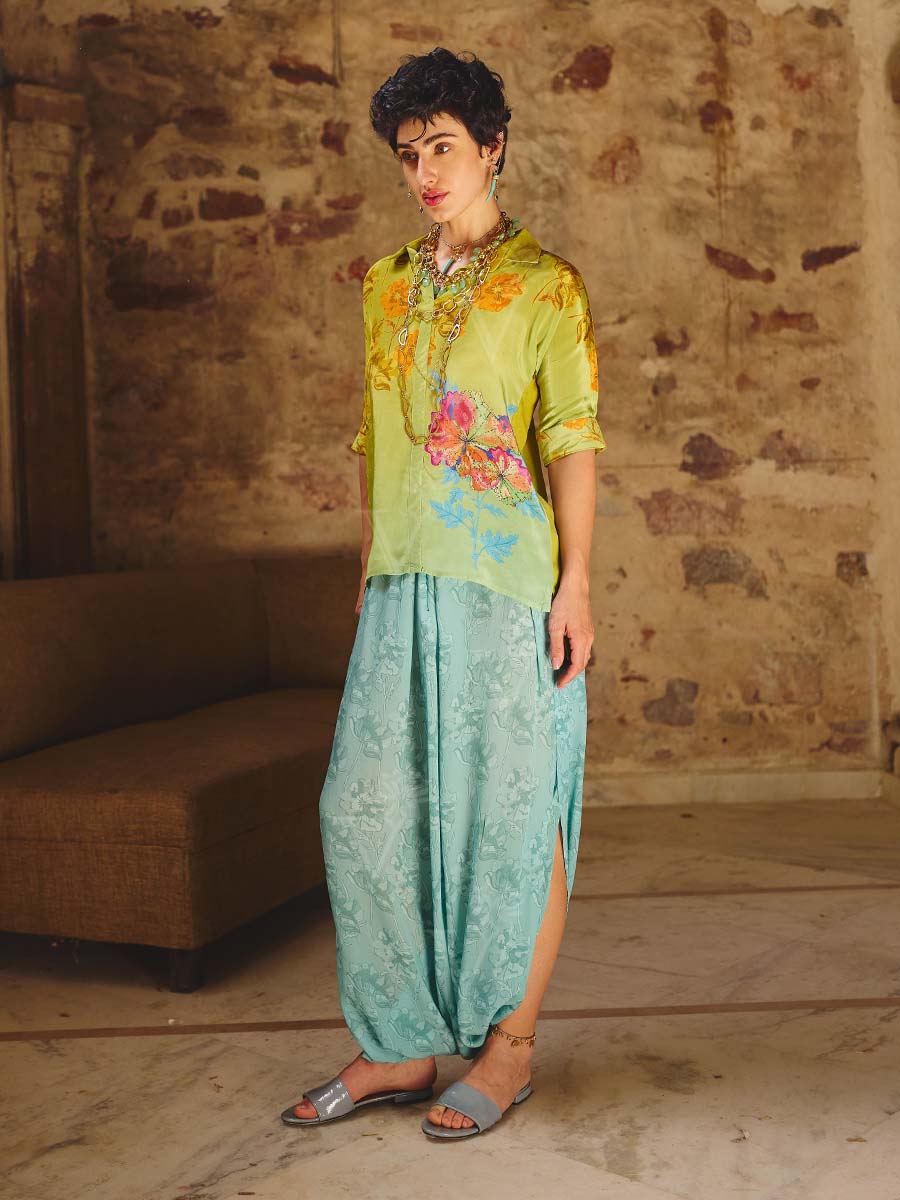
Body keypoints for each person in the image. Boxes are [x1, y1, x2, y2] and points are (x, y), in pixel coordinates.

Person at [280, 46, 607, 1141]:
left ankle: (509, 1049)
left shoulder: (547, 286)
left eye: (444, 148)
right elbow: (375, 437)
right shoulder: (383, 284)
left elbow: (571, 438)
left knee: (515, 814)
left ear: (494, 147)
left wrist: (576, 585)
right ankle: (403, 1044)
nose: (424, 171)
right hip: (403, 582)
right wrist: (374, 565)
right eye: (409, 154)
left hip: (510, 585)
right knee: (365, 810)